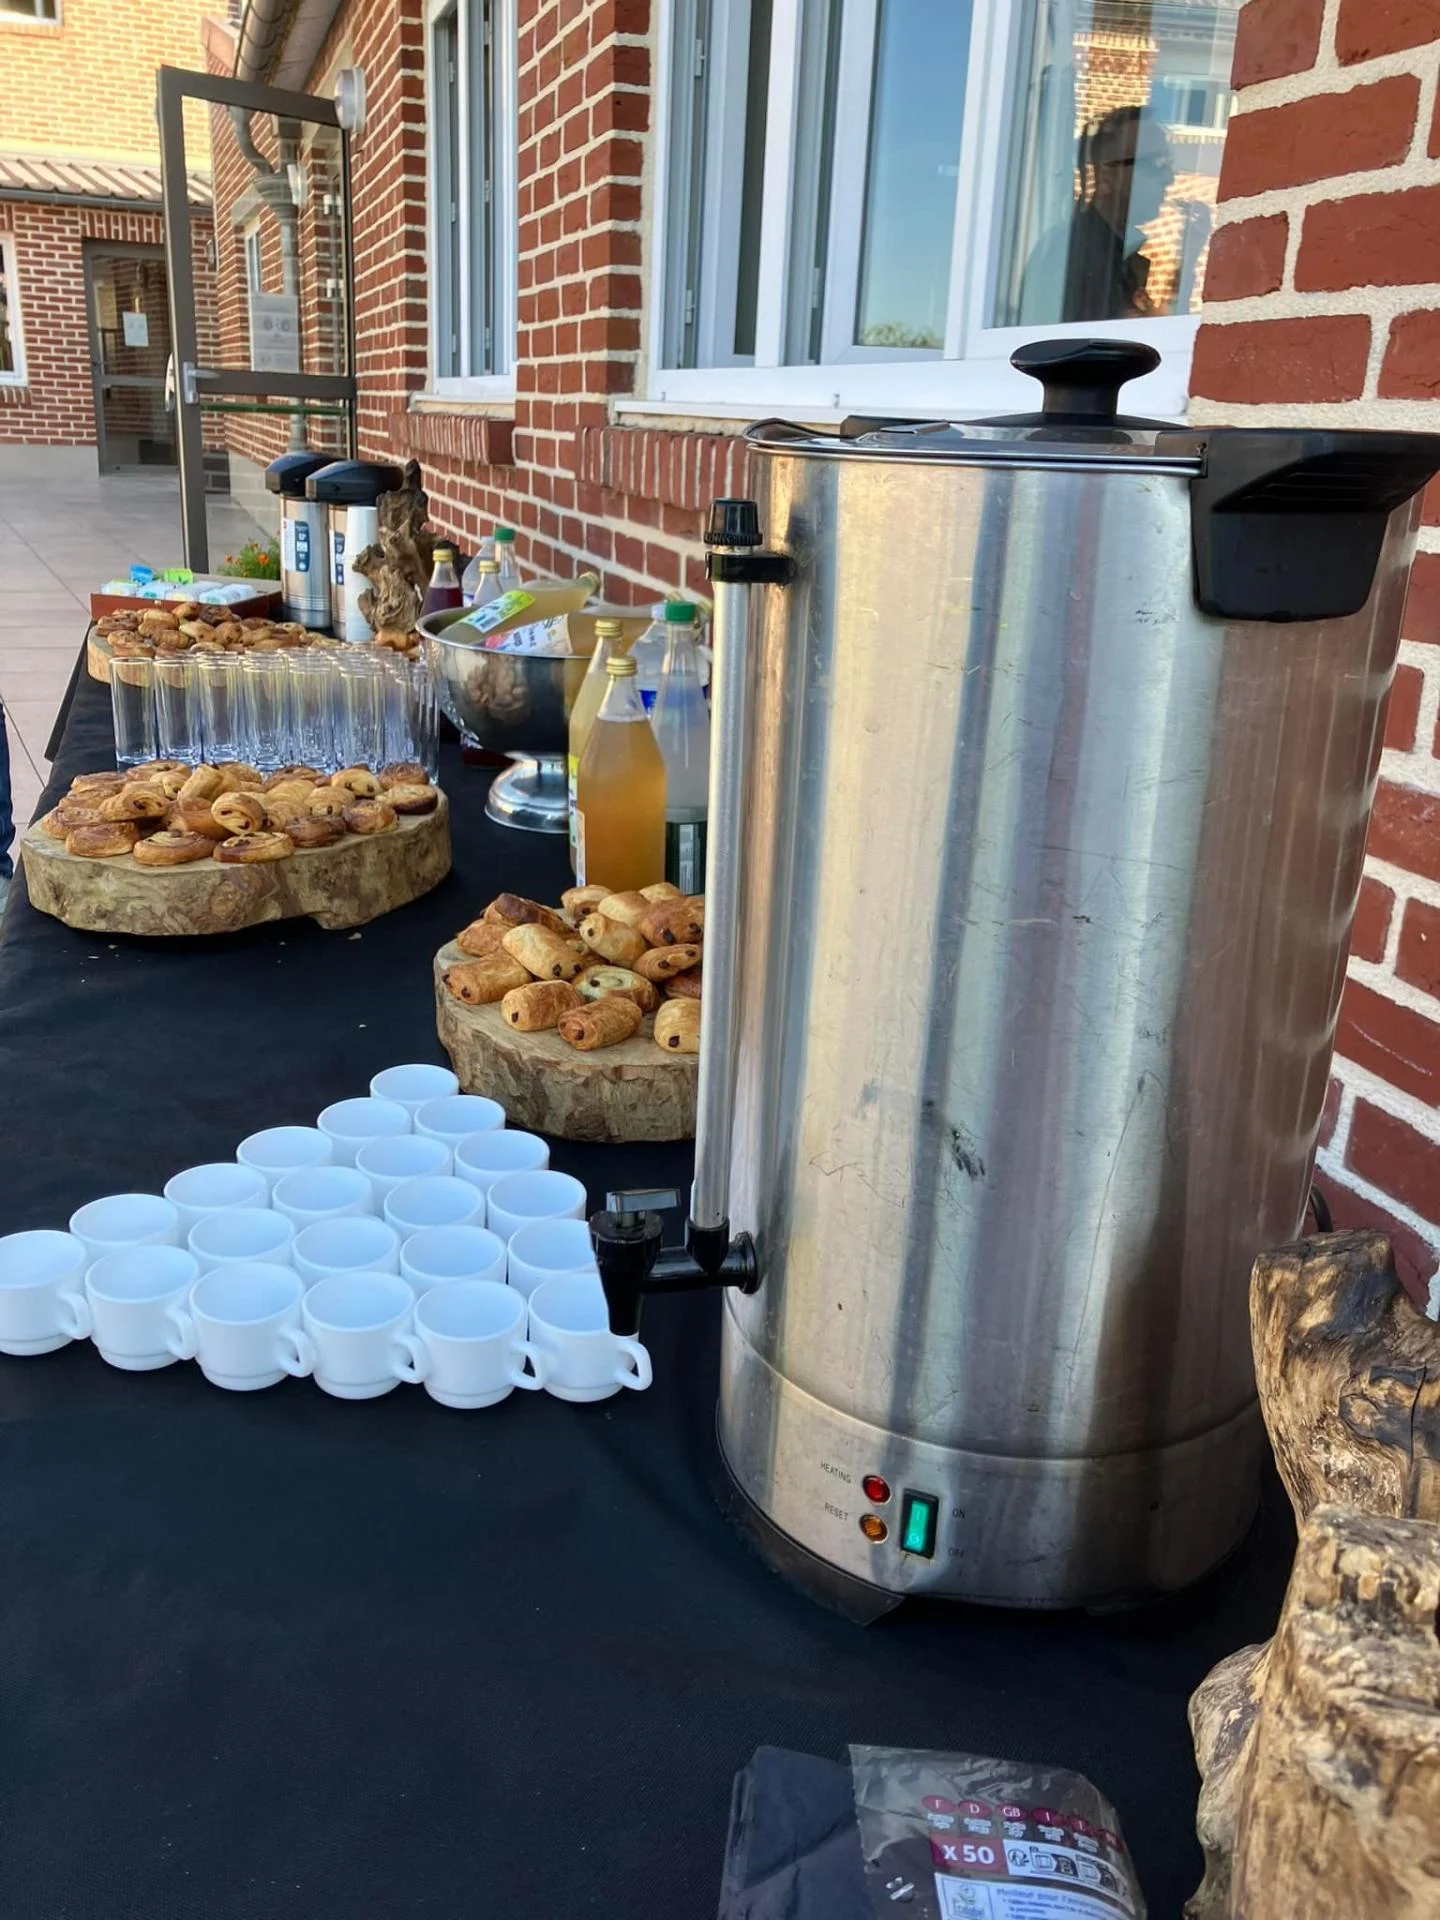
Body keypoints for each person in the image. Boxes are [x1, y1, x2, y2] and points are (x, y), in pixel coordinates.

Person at [1020, 104, 1176, 324]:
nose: (1169, 178)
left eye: (1169, 164)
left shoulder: (1116, 253)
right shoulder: (1067, 254)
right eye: (1155, 163)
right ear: (1106, 175)